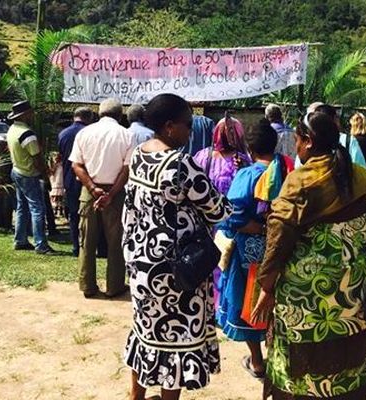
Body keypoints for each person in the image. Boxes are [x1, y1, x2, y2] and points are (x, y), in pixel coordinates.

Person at [251, 111, 366, 400]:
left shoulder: (298, 183)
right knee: (348, 350)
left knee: (300, 358)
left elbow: (277, 241)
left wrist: (266, 286)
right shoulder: (362, 179)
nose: (297, 148)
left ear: (308, 142)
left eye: (298, 141)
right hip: (353, 290)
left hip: (304, 296)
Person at [122, 93, 233, 400]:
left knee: (146, 330)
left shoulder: (139, 154)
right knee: (176, 337)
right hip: (178, 270)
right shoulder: (180, 164)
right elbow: (217, 208)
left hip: (143, 263)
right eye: (188, 124)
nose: (190, 131)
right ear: (170, 127)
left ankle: (137, 395)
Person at [216, 119, 294, 379]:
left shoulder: (248, 175)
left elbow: (233, 216)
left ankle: (258, 361)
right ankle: (277, 356)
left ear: (250, 148)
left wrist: (259, 228)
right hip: (283, 248)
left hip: (251, 252)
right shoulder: (287, 170)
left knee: (250, 300)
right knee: (277, 300)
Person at [69, 98, 133, 298]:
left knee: (87, 240)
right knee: (116, 242)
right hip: (116, 193)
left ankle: (87, 285)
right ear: (120, 115)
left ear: (99, 113)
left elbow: (76, 165)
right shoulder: (126, 134)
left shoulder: (84, 133)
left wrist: (92, 187)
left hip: (89, 192)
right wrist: (111, 193)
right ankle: (114, 286)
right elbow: (127, 168)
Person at [6, 100, 55, 254]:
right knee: (37, 209)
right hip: (29, 173)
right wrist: (45, 176)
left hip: (17, 170)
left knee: (22, 207)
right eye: (30, 113)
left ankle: (20, 240)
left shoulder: (13, 129)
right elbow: (37, 158)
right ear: (25, 114)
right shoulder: (27, 134)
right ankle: (41, 244)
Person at [58, 106, 94, 257]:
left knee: (74, 214)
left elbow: (60, 157)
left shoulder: (63, 134)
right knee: (91, 215)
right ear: (89, 118)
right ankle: (91, 246)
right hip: (89, 178)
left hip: (69, 178)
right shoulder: (91, 133)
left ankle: (76, 247)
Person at [295, 103, 366, 169]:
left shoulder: (306, 143)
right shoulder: (348, 141)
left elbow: (297, 168)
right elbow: (361, 168)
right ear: (335, 120)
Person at [48, 152, 65, 218]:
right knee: (55, 197)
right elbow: (51, 172)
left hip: (59, 182)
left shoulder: (61, 165)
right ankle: (55, 210)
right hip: (55, 182)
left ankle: (60, 209)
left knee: (59, 197)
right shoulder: (54, 165)